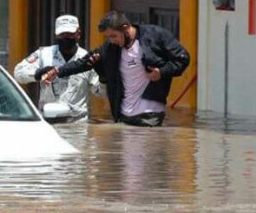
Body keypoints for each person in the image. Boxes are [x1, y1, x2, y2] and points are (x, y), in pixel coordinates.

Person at [41, 10, 190, 127]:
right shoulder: (111, 47)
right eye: (108, 37)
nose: (112, 40)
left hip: (150, 115)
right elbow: (84, 62)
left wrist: (162, 72)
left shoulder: (156, 36)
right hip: (122, 116)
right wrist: (58, 71)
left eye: (114, 36)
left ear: (125, 28)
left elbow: (182, 58)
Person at [14, 14, 104, 122]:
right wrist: (39, 73)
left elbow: (101, 92)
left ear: (78, 34)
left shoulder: (87, 59)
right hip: (48, 123)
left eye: (70, 34)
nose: (66, 38)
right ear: (56, 34)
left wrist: (103, 74)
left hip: (78, 125)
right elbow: (18, 73)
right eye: (62, 34)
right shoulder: (44, 54)